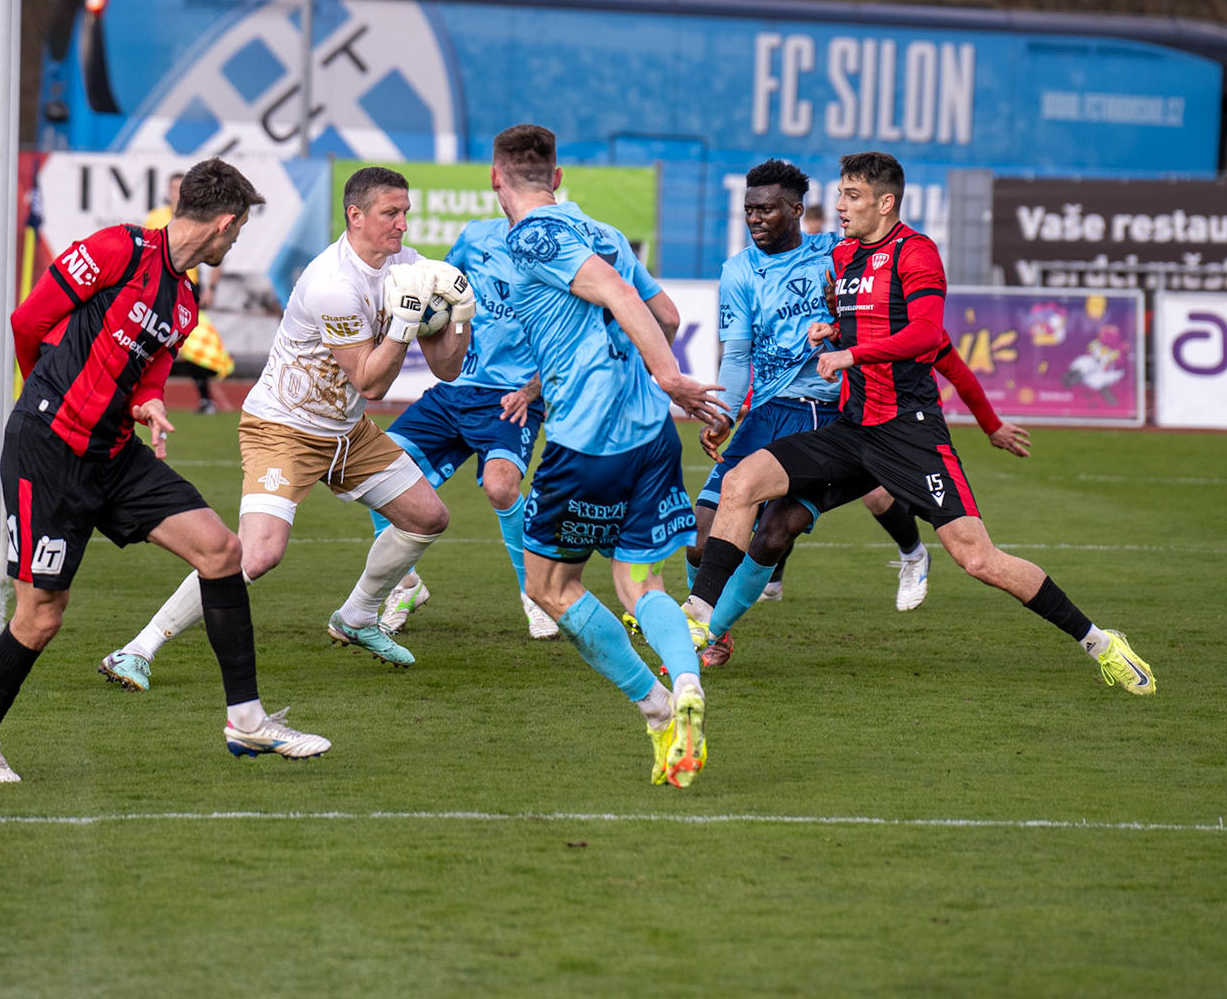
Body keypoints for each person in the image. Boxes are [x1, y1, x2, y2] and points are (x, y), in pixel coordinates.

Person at [686, 151, 1156, 696]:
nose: (840, 207)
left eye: (852, 196)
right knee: (741, 483)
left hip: (908, 433)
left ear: (885, 203)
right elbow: (853, 322)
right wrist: (831, 330)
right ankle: (699, 617)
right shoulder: (842, 256)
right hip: (851, 429)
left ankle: (1101, 642)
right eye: (840, 195)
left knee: (978, 558)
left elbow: (930, 336)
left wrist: (853, 355)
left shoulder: (916, 252)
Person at [0, 158, 329, 782]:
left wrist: (147, 401)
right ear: (224, 223)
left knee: (221, 551)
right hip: (48, 449)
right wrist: (45, 393)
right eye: (238, 230)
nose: (235, 242)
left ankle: (247, 721)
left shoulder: (184, 301)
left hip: (115, 452)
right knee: (42, 614)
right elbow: (29, 321)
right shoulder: (117, 250)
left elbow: (151, 371)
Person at [98, 165, 474, 688]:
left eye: (405, 212)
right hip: (283, 428)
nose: (403, 225)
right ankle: (137, 649)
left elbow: (447, 368)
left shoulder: (409, 268)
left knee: (427, 517)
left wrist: (460, 316)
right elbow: (371, 383)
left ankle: (358, 616)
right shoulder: (332, 284)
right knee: (258, 554)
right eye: (391, 213)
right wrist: (406, 326)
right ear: (355, 215)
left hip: (345, 433)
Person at [495, 123, 728, 788]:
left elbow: (621, 298)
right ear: (557, 176)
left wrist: (670, 377)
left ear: (496, 178)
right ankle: (687, 681)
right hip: (650, 435)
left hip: (588, 439)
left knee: (549, 586)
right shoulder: (604, 231)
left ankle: (657, 710)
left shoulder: (530, 235)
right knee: (641, 582)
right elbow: (668, 315)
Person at [690, 331, 1035, 666]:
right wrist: (743, 405)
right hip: (846, 429)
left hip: (893, 432)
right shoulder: (842, 317)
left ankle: (913, 554)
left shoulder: (911, 323)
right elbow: (789, 360)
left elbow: (954, 368)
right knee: (769, 500)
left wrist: (991, 425)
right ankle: (752, 590)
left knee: (876, 497)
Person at [369, 211, 556, 642]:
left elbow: (574, 333)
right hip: (454, 390)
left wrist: (534, 390)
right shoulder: (475, 236)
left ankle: (537, 594)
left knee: (501, 486)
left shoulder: (558, 248)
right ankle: (405, 584)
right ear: (497, 182)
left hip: (511, 395)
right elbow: (438, 287)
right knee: (376, 466)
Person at [146, 172, 232, 415]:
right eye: (173, 188)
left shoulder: (199, 218)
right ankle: (141, 397)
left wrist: (211, 288)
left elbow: (217, 253)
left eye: (180, 188)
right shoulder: (155, 217)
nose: (176, 193)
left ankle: (205, 399)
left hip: (187, 289)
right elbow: (148, 251)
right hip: (159, 288)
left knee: (193, 346)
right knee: (150, 341)